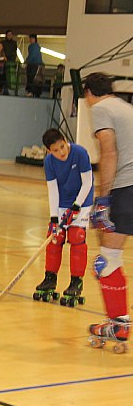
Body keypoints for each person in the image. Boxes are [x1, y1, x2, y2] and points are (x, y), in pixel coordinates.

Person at [84, 73, 133, 350]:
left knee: (107, 260)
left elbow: (109, 152)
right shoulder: (127, 107)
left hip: (127, 187)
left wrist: (103, 199)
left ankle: (118, 325)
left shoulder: (101, 108)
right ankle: (118, 323)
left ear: (89, 92)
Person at [33, 129, 94, 306]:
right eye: (56, 150)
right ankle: (50, 278)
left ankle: (76, 282)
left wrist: (76, 206)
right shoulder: (49, 163)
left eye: (62, 146)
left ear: (65, 140)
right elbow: (52, 190)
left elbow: (88, 183)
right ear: (49, 151)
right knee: (54, 238)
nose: (61, 152)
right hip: (62, 202)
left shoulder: (80, 153)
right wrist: (54, 219)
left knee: (76, 238)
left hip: (82, 201)